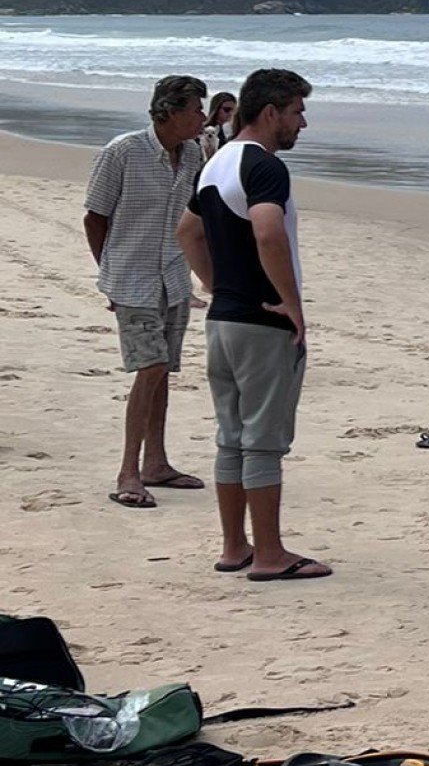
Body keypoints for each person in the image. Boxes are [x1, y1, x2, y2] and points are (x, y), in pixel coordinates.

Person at [175, 68, 329, 581]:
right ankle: (268, 553)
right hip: (262, 322)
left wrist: (217, 285)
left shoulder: (216, 162)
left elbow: (188, 232)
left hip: (224, 320)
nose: (302, 123)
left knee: (231, 437)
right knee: (263, 439)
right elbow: (267, 232)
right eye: (296, 112)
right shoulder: (264, 166)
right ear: (270, 112)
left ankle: (234, 545)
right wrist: (291, 303)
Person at [84, 74, 209, 510]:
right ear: (170, 111)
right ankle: (128, 472)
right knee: (151, 365)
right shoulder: (122, 151)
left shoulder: (193, 154)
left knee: (163, 371)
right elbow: (94, 218)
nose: (203, 117)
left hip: (173, 277)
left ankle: (156, 463)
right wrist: (111, 274)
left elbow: (195, 217)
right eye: (196, 109)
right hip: (131, 279)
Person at [198, 90, 236, 160]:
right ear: (216, 109)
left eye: (234, 111)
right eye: (227, 110)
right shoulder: (202, 130)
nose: (231, 114)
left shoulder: (234, 131)